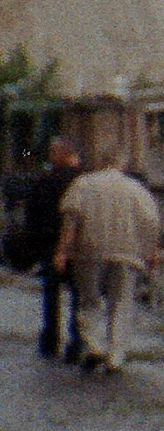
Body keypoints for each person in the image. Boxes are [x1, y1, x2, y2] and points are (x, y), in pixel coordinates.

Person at [50, 150, 162, 374]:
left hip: (89, 251)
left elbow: (71, 220)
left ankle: (94, 345)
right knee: (121, 303)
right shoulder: (137, 190)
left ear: (99, 164)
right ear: (122, 166)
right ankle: (115, 355)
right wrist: (152, 251)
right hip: (127, 253)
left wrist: (62, 251)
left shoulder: (83, 185)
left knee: (89, 300)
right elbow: (151, 223)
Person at [12, 137, 77, 362]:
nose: (49, 156)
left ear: (61, 154)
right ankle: (77, 341)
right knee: (78, 295)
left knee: (51, 296)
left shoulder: (45, 181)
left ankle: (50, 339)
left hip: (50, 244)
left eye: (52, 152)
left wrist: (33, 246)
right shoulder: (82, 180)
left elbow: (32, 216)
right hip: (78, 246)